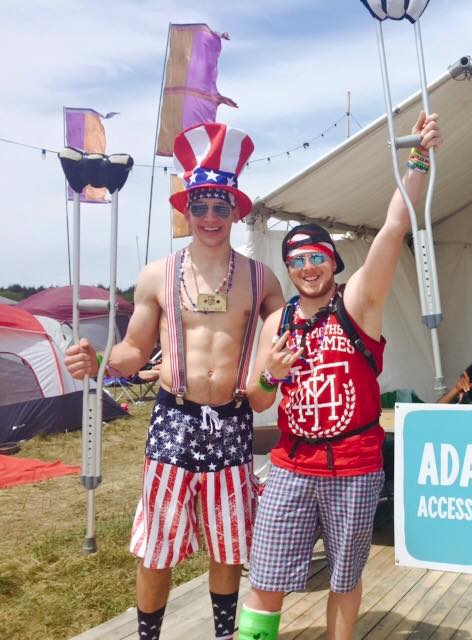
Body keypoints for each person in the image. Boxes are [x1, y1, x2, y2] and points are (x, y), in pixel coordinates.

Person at [64, 123, 284, 640]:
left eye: (220, 206)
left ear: (235, 211)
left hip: (231, 420)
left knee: (230, 543)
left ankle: (225, 635)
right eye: (201, 206)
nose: (210, 217)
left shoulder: (260, 278)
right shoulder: (157, 274)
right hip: (173, 420)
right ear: (187, 211)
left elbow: (289, 333)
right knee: (157, 546)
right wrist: (100, 362)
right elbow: (136, 349)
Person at [238, 112, 442, 640]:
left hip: (354, 464)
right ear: (288, 267)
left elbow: (394, 228)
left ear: (332, 263)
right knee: (266, 573)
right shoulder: (276, 322)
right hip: (291, 464)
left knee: (344, 578)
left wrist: (418, 158)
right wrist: (270, 377)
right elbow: (256, 401)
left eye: (318, 257)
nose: (308, 267)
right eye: (298, 259)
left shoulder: (357, 306)